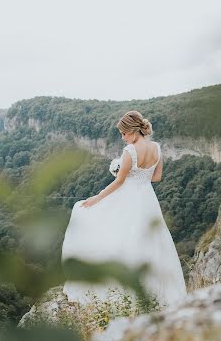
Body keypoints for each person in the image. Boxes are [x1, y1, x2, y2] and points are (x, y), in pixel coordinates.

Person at [61, 110, 187, 309]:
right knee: (149, 240)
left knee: (104, 226)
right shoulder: (156, 148)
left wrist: (97, 197)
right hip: (147, 198)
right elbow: (157, 178)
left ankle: (119, 287)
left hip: (128, 196)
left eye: (123, 133)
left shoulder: (130, 151)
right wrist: (140, 176)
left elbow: (119, 182)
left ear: (133, 131)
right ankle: (153, 292)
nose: (122, 138)